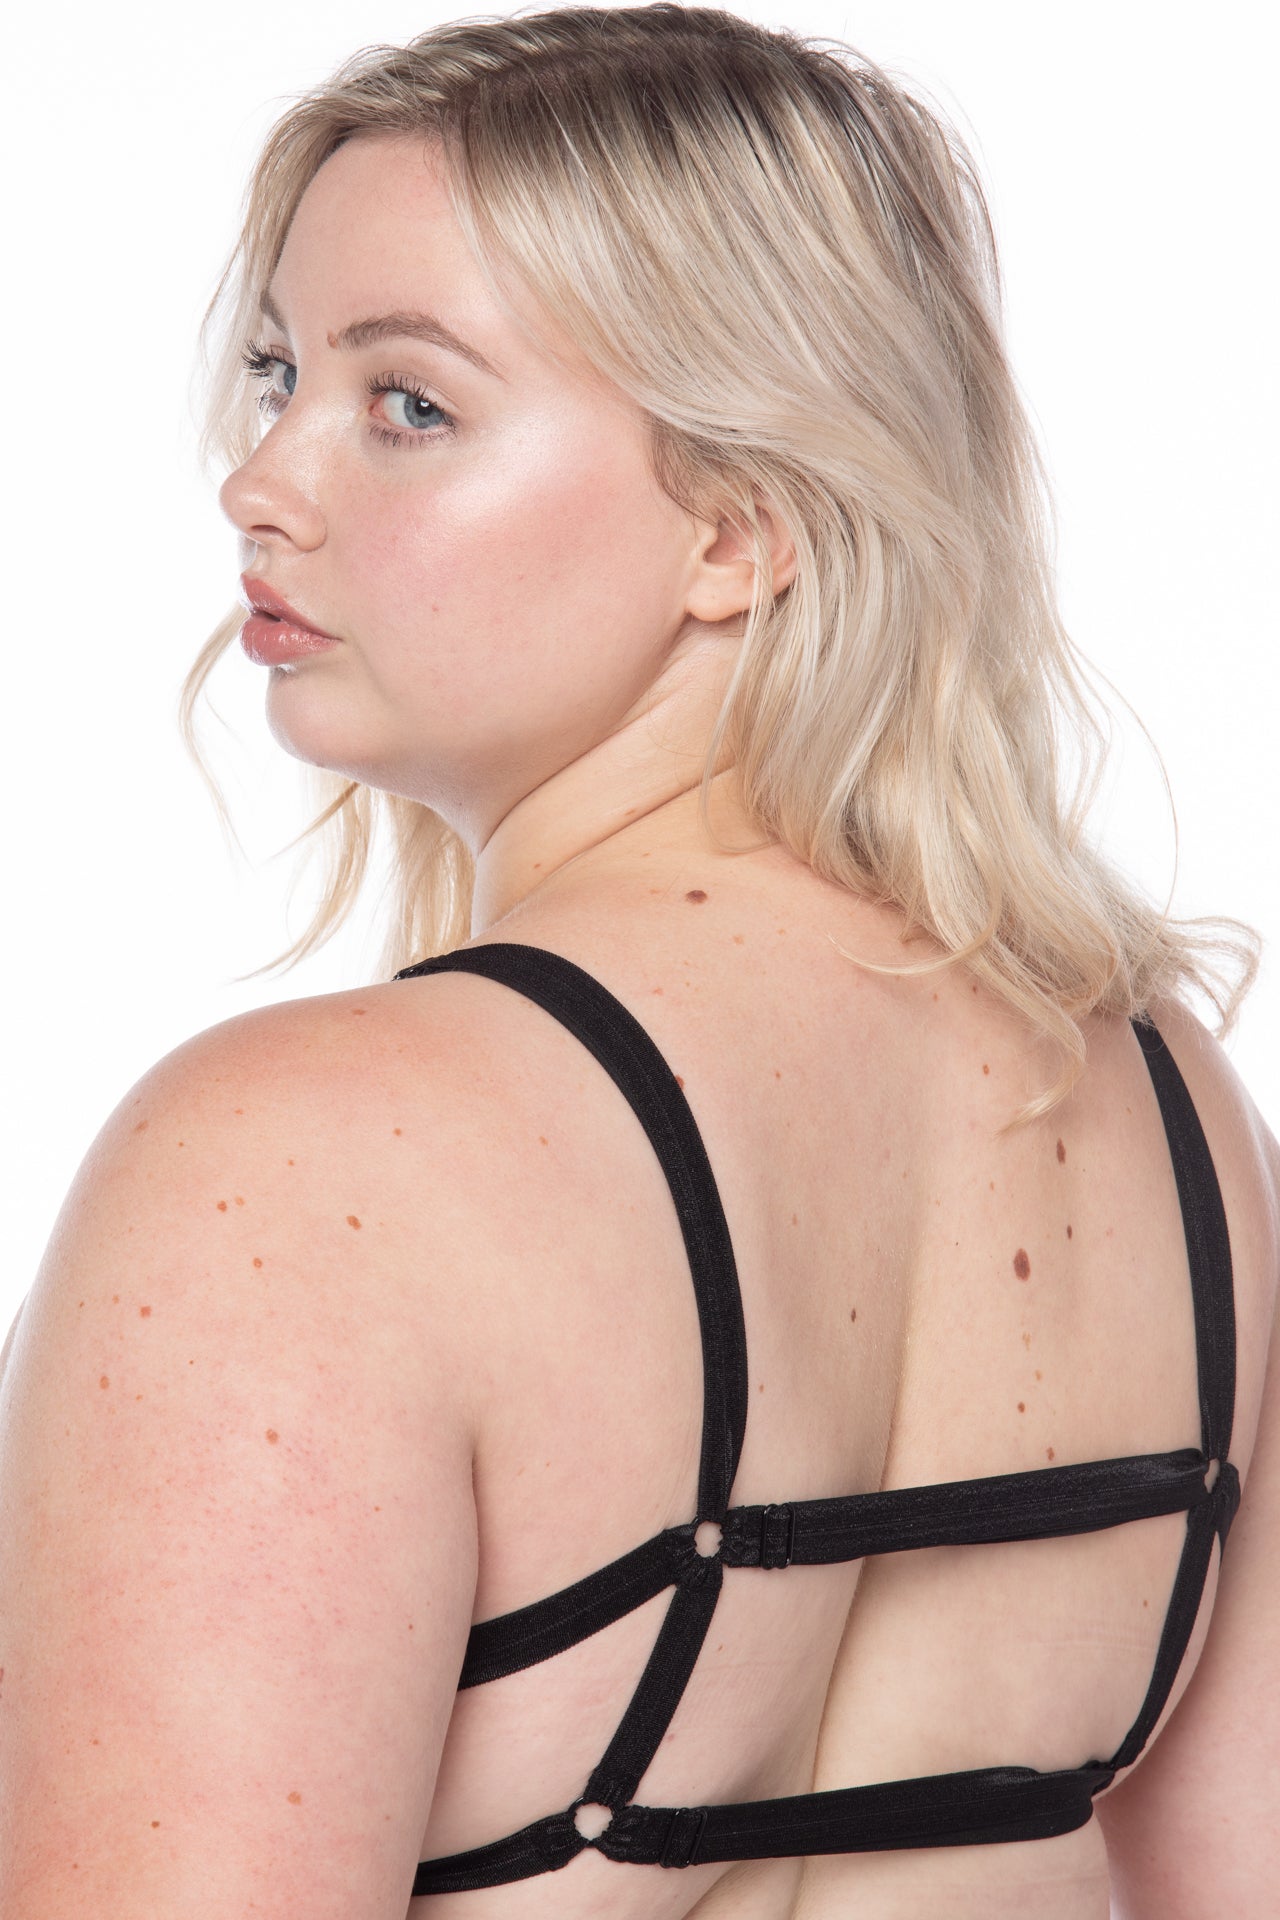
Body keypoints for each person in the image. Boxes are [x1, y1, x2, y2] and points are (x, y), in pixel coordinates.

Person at [1, 6, 1276, 1915]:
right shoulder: (1166, 1102)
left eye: (406, 403)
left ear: (743, 528)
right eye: (276, 371)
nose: (262, 480)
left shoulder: (298, 1171)